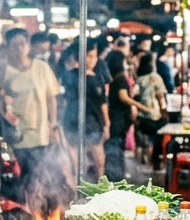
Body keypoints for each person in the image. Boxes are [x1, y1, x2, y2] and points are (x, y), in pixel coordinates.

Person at [1, 28, 61, 197]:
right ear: (7, 47)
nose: (19, 48)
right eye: (14, 45)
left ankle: (36, 215)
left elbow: (51, 98)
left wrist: (53, 124)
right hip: (14, 137)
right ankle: (20, 214)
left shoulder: (41, 67)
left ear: (28, 46)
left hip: (39, 134)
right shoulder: (2, 71)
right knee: (16, 179)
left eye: (22, 44)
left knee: (38, 178)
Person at [58, 39, 107, 183]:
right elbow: (63, 98)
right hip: (73, 123)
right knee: (77, 164)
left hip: (94, 124)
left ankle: (99, 191)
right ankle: (77, 191)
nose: (91, 60)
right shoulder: (70, 75)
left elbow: (102, 103)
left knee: (99, 162)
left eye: (94, 56)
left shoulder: (98, 78)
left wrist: (106, 124)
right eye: (88, 56)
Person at [104, 50, 142, 181]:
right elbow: (124, 97)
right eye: (124, 61)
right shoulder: (120, 79)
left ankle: (115, 179)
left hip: (115, 120)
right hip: (117, 121)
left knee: (115, 151)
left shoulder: (112, 77)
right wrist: (143, 107)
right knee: (115, 152)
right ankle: (115, 181)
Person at [132, 52, 167, 169]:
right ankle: (151, 165)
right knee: (153, 140)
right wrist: (164, 111)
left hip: (141, 113)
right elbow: (160, 96)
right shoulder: (155, 78)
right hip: (153, 113)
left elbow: (133, 93)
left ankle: (141, 161)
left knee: (142, 139)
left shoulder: (139, 79)